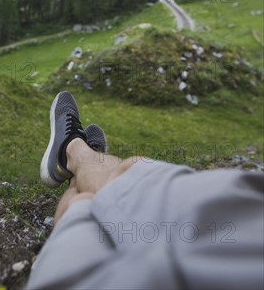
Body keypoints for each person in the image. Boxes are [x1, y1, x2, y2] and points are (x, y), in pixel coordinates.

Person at [26, 92, 264, 290]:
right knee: (132, 172)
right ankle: (76, 160)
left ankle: (71, 151)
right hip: (246, 222)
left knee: (86, 203)